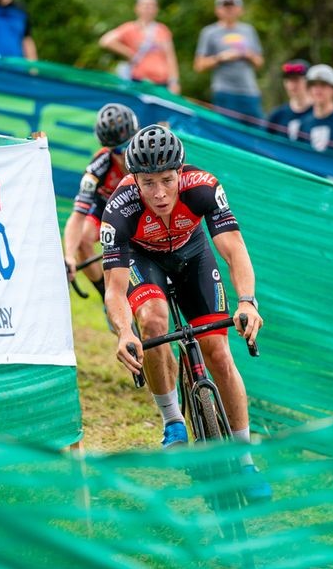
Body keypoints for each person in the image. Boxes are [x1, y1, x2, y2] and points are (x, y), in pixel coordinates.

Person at [101, 125, 264, 462]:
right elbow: (114, 290)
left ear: (180, 172)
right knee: (155, 322)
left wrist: (247, 301)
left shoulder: (203, 187)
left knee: (218, 351)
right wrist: (124, 331)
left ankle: (245, 457)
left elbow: (234, 250)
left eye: (166, 180)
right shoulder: (119, 211)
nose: (159, 193)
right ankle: (172, 418)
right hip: (144, 259)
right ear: (135, 181)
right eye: (148, 183)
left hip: (194, 254)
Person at [62, 103, 139, 302]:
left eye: (128, 147)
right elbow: (78, 216)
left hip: (141, 211)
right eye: (117, 151)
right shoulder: (98, 167)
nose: (123, 156)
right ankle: (108, 299)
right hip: (106, 210)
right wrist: (69, 255)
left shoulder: (148, 155)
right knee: (83, 239)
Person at [193, 0, 264, 121]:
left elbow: (260, 63)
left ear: (240, 9)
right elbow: (199, 65)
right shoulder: (209, 32)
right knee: (227, 130)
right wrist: (221, 57)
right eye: (225, 7)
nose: (229, 10)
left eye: (232, 6)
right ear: (217, 10)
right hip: (225, 92)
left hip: (249, 91)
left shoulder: (249, 30)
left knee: (257, 130)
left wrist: (247, 55)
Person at [98, 0, 180, 94]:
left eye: (151, 5)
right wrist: (129, 54)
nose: (148, 9)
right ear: (137, 8)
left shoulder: (162, 30)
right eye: (145, 5)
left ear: (156, 9)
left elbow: (170, 57)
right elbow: (105, 41)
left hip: (162, 83)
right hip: (139, 81)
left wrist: (174, 82)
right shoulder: (129, 28)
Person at [266, 58, 311, 141]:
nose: (292, 85)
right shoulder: (277, 115)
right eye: (288, 80)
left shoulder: (319, 114)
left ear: (309, 82)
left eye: (296, 80)